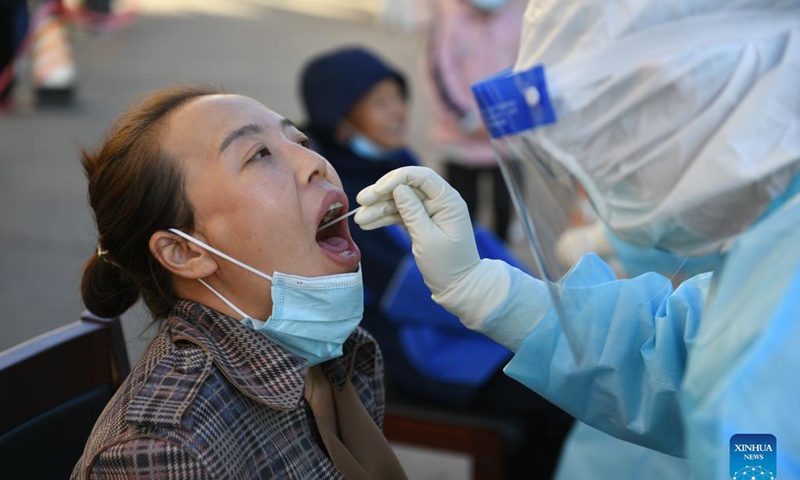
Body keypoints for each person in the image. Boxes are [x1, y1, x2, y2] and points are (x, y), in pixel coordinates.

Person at [352, 0, 800, 478]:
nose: (612, 177)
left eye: (623, 134)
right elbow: (676, 356)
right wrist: (486, 289)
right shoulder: (772, 252)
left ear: (716, 83)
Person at [72, 85, 407, 480]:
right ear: (185, 252)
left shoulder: (344, 351)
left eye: (299, 139)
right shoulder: (164, 450)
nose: (315, 163)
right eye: (259, 154)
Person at [300, 46, 574, 478]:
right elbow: (411, 293)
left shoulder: (399, 159)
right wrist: (507, 306)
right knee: (559, 385)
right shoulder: (338, 194)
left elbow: (466, 236)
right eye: (379, 102)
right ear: (340, 117)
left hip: (456, 318)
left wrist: (527, 289)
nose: (398, 112)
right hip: (413, 346)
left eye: (399, 98)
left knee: (558, 372)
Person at [424, 0, 524, 241]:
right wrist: (467, 120)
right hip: (461, 141)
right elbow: (440, 74)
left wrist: (508, 115)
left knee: (505, 207)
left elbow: (525, 69)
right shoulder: (448, 19)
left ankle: (501, 259)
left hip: (506, 138)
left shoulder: (518, 17)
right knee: (462, 212)